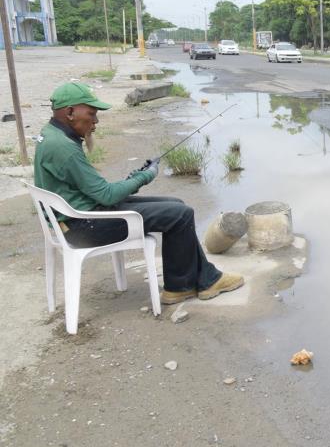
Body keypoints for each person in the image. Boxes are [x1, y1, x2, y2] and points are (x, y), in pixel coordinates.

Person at [33, 82, 243, 305]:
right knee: (180, 214)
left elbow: (94, 190)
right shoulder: (63, 147)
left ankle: (199, 279)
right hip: (85, 227)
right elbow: (107, 196)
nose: (95, 122)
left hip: (77, 217)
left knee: (176, 204)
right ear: (70, 112)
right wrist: (145, 176)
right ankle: (181, 287)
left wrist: (132, 180)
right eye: (92, 114)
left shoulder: (51, 135)